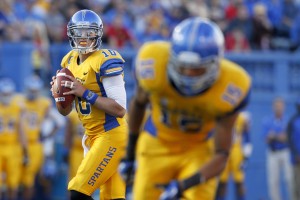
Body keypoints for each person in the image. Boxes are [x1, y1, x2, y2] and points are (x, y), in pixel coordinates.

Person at [120, 17, 252, 200]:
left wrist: (182, 187)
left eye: (197, 69)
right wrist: (129, 154)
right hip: (157, 142)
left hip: (199, 150)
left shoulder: (231, 86)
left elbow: (222, 154)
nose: (188, 75)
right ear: (171, 58)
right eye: (182, 68)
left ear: (215, 64)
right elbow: (138, 104)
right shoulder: (154, 62)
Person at [50, 9, 128, 200]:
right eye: (80, 32)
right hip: (91, 136)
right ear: (71, 33)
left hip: (111, 135)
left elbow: (120, 109)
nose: (84, 38)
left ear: (98, 34)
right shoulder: (68, 61)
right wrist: (59, 95)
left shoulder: (105, 59)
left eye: (89, 32)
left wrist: (84, 92)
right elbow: (65, 111)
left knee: (78, 192)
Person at [21, 75, 52, 200]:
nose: (33, 93)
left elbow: (57, 122)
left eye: (35, 90)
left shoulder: (44, 103)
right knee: (18, 179)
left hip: (35, 143)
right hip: (18, 143)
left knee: (35, 177)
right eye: (31, 90)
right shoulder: (19, 102)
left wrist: (47, 135)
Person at [0, 78, 28, 200]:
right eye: (4, 93)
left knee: (13, 183)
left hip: (13, 147)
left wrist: (25, 151)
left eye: (8, 94)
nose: (6, 96)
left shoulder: (18, 107)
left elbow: (21, 131)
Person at [215, 111, 253, 200]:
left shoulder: (243, 117)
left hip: (236, 150)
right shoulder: (222, 115)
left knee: (239, 182)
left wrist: (246, 157)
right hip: (223, 149)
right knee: (221, 183)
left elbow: (247, 137)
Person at [262, 97, 293, 200]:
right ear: (273, 107)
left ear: (284, 107)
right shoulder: (268, 120)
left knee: (289, 179)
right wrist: (278, 136)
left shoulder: (288, 120)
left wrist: (274, 136)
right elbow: (266, 138)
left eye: (280, 106)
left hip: (285, 152)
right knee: (273, 181)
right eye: (276, 106)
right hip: (273, 153)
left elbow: (287, 138)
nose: (278, 108)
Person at [63, 109, 85, 181]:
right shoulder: (72, 115)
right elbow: (68, 134)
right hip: (76, 150)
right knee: (74, 178)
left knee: (88, 179)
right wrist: (66, 150)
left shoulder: (95, 112)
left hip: (90, 150)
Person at [287, 99, 300, 200]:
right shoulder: (293, 121)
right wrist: (295, 154)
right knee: (297, 185)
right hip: (297, 159)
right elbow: (289, 139)